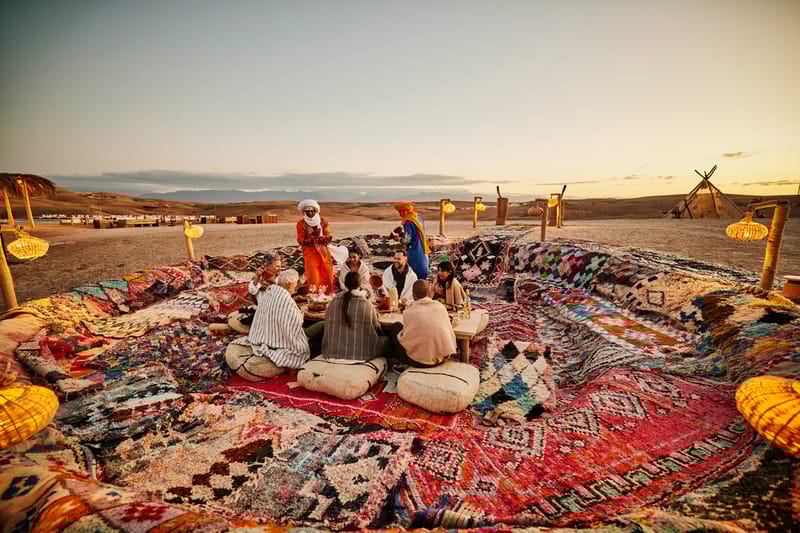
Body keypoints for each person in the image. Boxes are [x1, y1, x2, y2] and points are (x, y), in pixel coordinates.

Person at [229, 269, 324, 369]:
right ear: (290, 283)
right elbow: (297, 324)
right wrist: (300, 314)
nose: (295, 287)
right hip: (284, 338)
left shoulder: (270, 291)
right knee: (323, 324)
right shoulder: (285, 299)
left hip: (266, 332)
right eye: (295, 284)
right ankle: (318, 353)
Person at [321, 272, 392, 362]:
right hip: (360, 354)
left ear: (345, 283)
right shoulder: (366, 304)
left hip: (331, 352)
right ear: (360, 284)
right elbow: (376, 328)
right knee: (387, 340)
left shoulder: (334, 301)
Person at [389, 280, 457, 368]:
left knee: (395, 328)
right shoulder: (440, 306)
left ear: (413, 294)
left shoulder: (410, 311)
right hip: (443, 357)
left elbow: (406, 337)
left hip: (421, 362)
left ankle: (403, 364)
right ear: (429, 292)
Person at [296, 199, 334, 293]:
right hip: (310, 253)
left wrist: (323, 238)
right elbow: (300, 239)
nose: (310, 213)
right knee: (314, 276)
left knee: (327, 274)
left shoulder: (323, 222)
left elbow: (327, 235)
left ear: (315, 211)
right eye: (307, 211)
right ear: (304, 212)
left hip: (324, 252)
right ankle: (315, 298)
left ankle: (328, 297)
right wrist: (311, 239)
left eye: (312, 211)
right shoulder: (300, 224)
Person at [391, 201, 431, 280]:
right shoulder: (418, 219)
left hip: (415, 252)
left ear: (405, 211)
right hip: (423, 250)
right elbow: (415, 234)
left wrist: (398, 239)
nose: (400, 214)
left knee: (412, 276)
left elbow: (407, 240)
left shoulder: (408, 221)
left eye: (400, 211)